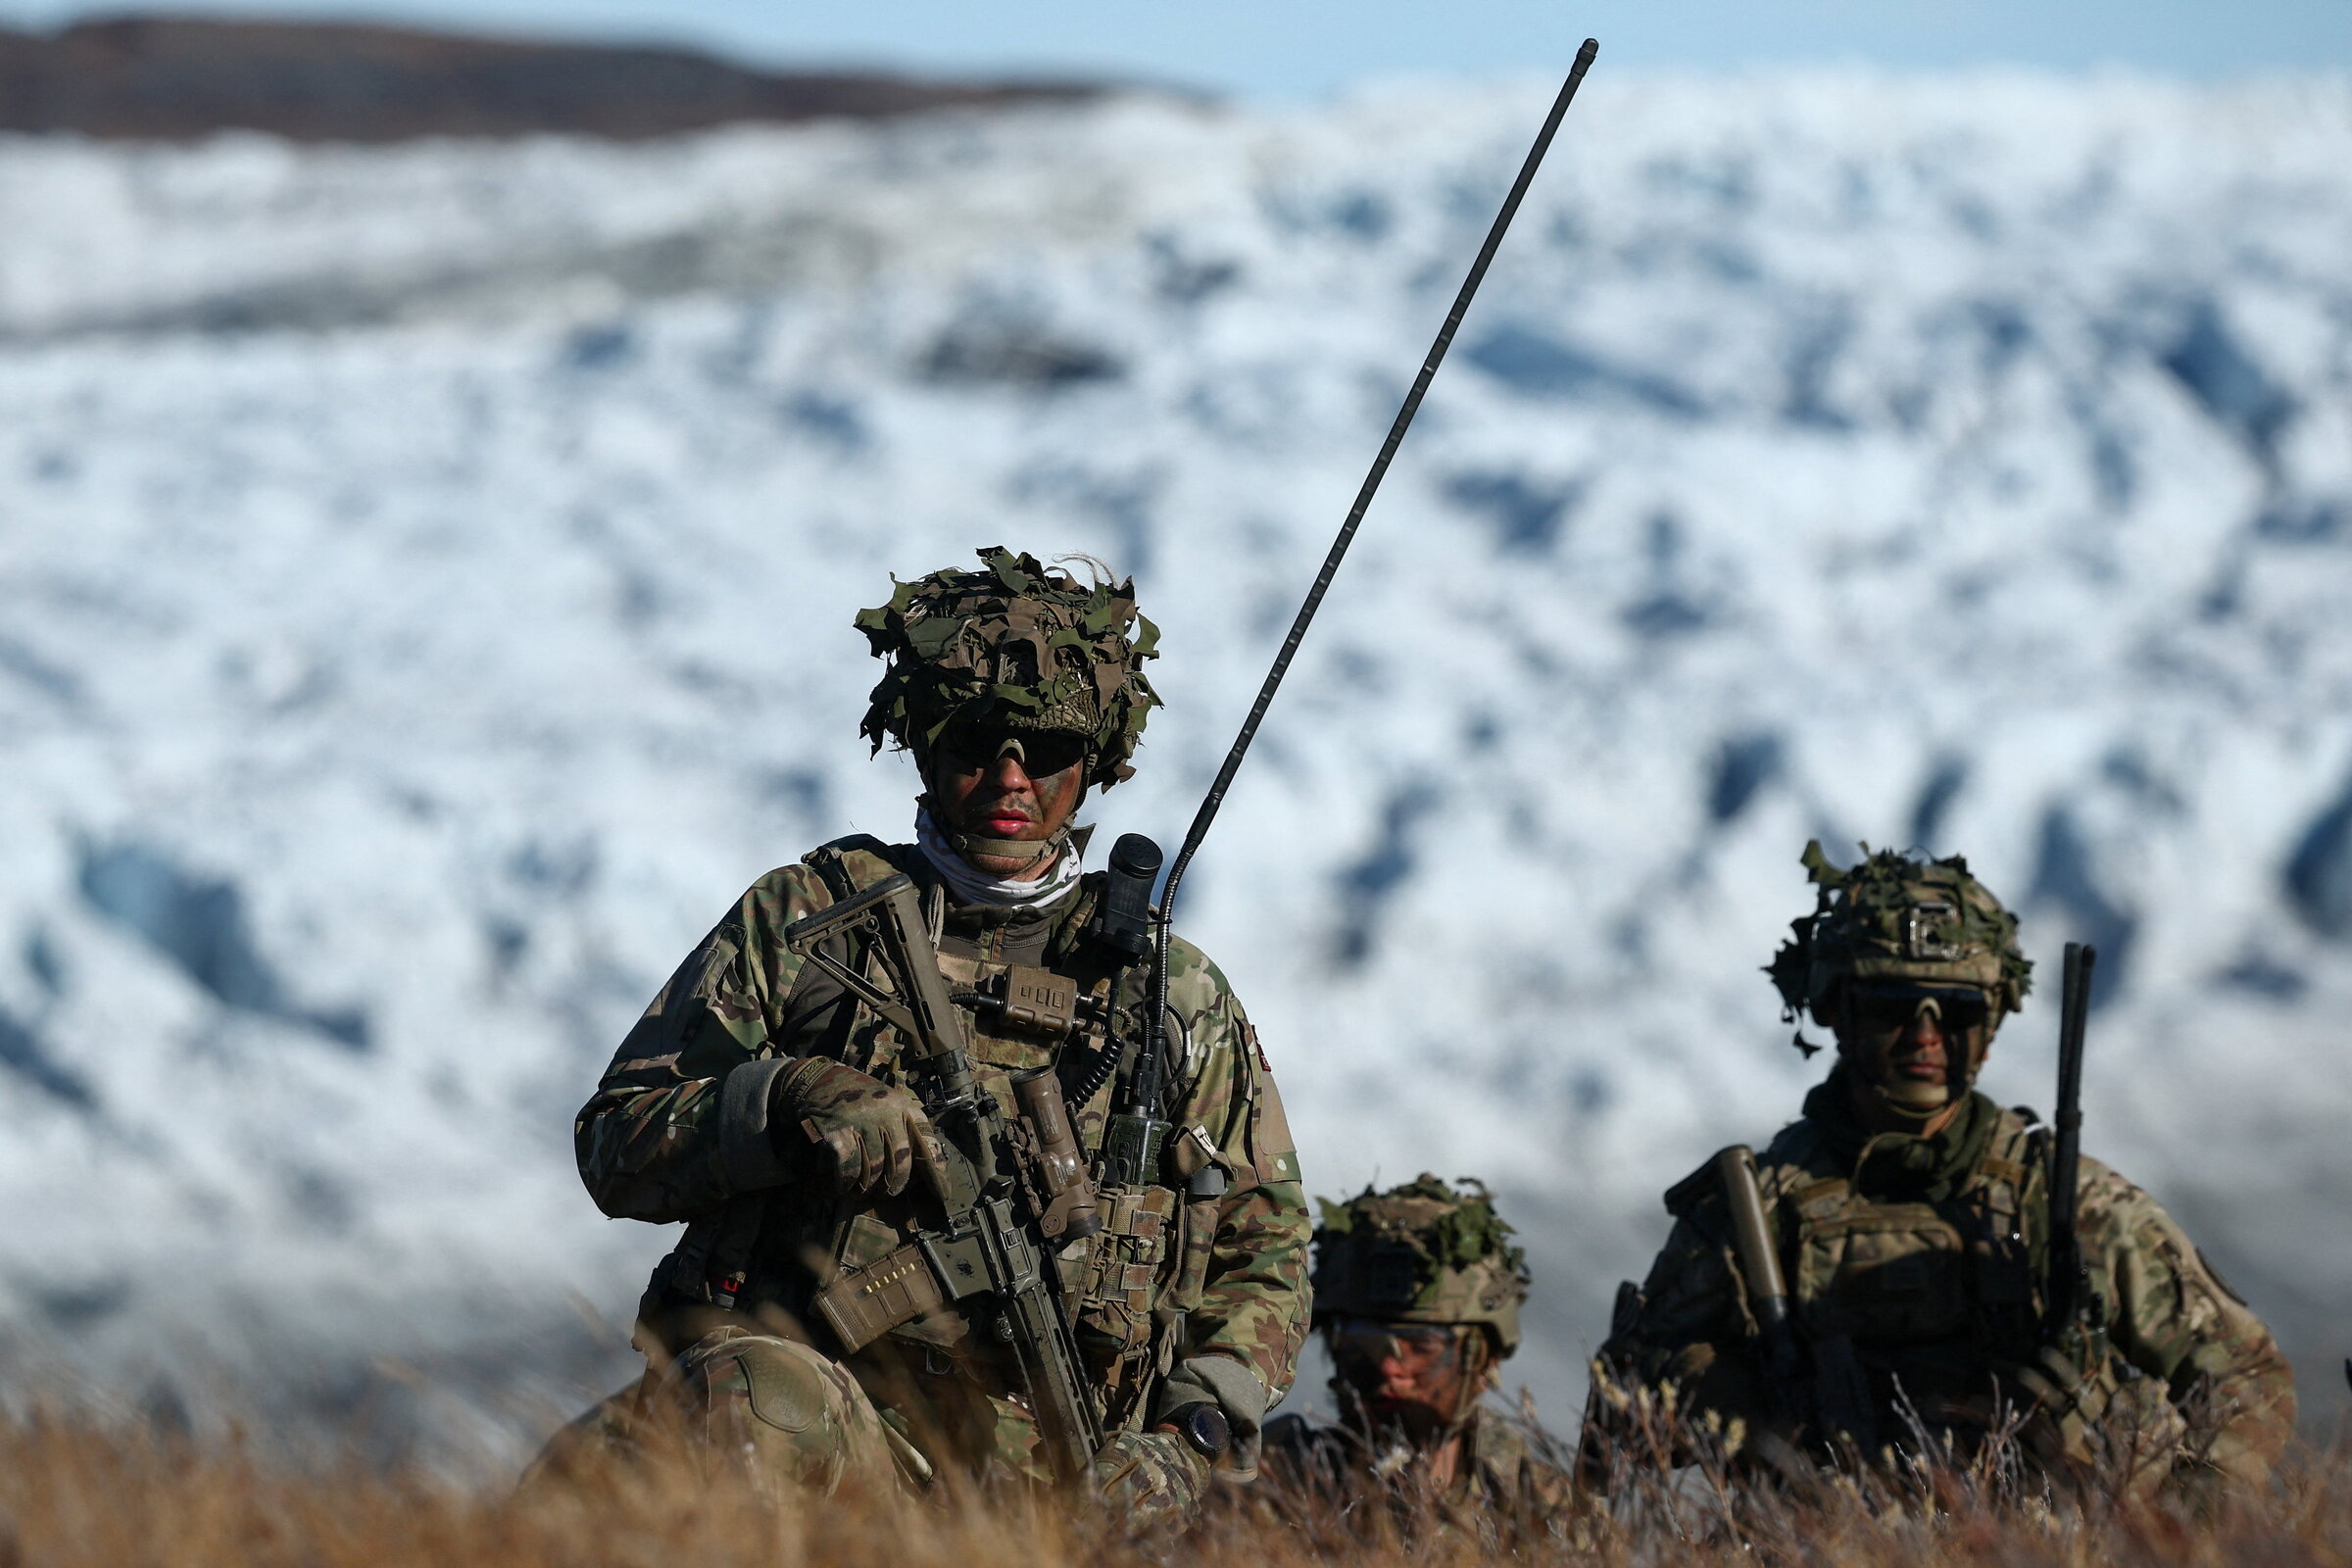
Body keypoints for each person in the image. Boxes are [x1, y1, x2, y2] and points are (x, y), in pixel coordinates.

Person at [556, 548, 1310, 1520]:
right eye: (976, 743)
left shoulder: (1171, 994)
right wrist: (782, 1102)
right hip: (817, 1438)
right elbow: (616, 1142)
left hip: (1056, 1491)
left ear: (1095, 765)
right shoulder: (814, 921)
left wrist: (1185, 1438)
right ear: (925, 747)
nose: (1010, 779)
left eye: (1046, 750)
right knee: (763, 1400)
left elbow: (1267, 1251)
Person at [1588, 842, 2295, 1499]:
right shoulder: (1756, 1214)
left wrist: (2181, 1525)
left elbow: (2247, 1377)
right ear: (1837, 1009)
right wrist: (1749, 1420)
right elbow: (1620, 1418)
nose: (1925, 1037)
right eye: (1894, 1008)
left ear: (1991, 1023)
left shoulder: (2066, 1202)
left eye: (1955, 1011)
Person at [1262, 1175, 1568, 1521]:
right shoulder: (1275, 1487)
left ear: (1485, 1361)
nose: (1389, 1368)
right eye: (1363, 1346)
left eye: (1422, 1346)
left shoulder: (1541, 1506)